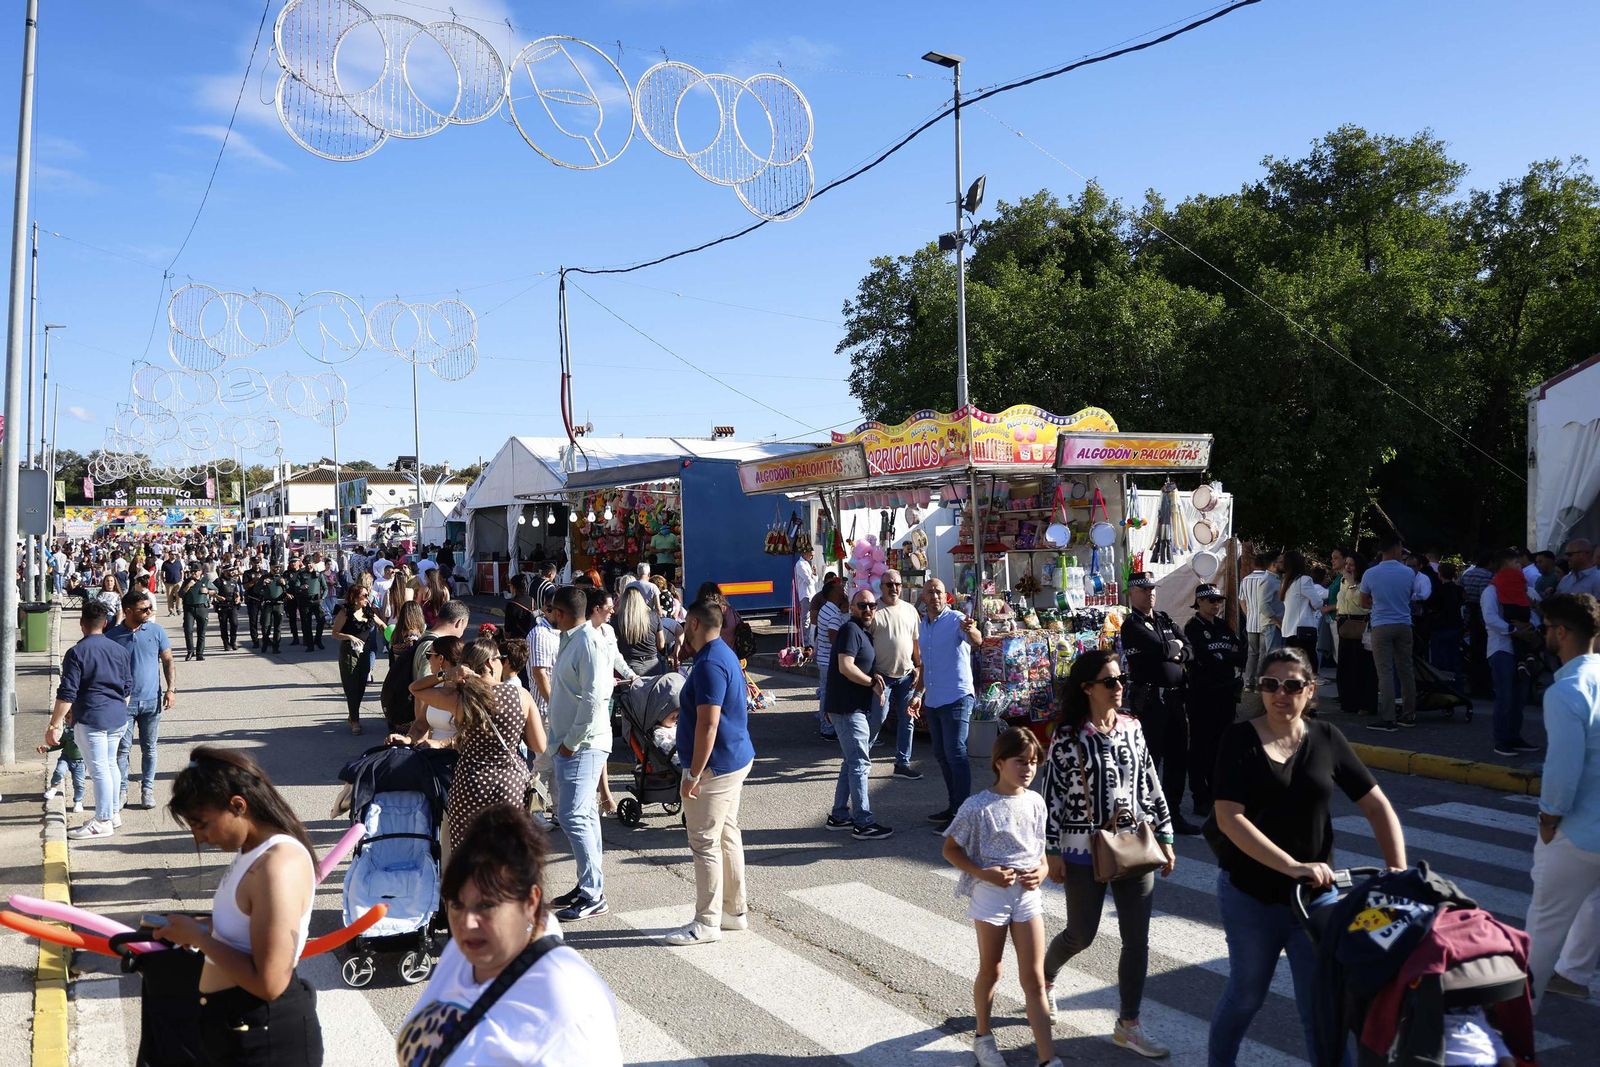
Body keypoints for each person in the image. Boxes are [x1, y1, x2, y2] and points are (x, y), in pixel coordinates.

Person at [1208, 647, 1407, 1065]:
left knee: (1322, 1006)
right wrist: (1292, 866)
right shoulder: (1238, 739)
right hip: (1251, 894)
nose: (1281, 694)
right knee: (1246, 995)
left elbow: (1377, 806)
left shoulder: (1326, 738)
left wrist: (1399, 873)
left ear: (1310, 690)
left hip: (1317, 899)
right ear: (1259, 690)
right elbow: (1228, 819)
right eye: (1270, 685)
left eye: (1293, 685)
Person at [397, 804, 623, 1066]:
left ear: (530, 902)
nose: (467, 923)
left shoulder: (569, 1003)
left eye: (487, 905)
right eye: (457, 904)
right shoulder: (465, 952)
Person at [1040, 651, 1174, 1058]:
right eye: (1110, 681)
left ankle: (1128, 1024)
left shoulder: (1133, 727)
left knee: (1138, 941)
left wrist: (1166, 837)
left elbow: (1150, 782)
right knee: (1081, 934)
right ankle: (1044, 978)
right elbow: (1053, 797)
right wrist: (1052, 852)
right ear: (1087, 688)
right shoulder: (1067, 736)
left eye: (1121, 679)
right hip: (1082, 851)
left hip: (1134, 847)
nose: (1119, 687)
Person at [155, 747, 322, 1065]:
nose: (199, 837)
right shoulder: (253, 852)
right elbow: (245, 932)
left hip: (264, 1037)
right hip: (238, 1029)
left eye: (202, 824)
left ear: (238, 805)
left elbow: (270, 983)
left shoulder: (277, 866)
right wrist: (200, 927)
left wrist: (200, 938)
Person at [944, 727, 1062, 1067]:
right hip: (990, 896)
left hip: (1027, 897)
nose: (1028, 769)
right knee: (992, 970)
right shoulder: (978, 806)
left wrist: (1041, 871)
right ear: (999, 763)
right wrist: (983, 873)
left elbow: (1039, 850)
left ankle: (1047, 1058)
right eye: (1020, 761)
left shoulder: (1036, 801)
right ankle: (983, 1036)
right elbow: (950, 849)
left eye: (1034, 762)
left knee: (1035, 978)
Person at [661, 598, 757, 946]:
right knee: (727, 833)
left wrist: (693, 774)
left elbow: (708, 724)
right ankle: (734, 912)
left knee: (703, 841)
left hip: (717, 765)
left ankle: (706, 922)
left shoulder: (709, 664)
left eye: (687, 622)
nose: (684, 628)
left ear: (697, 624)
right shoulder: (720, 653)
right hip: (733, 758)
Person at [1525, 593, 1600, 1009]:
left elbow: (1562, 769)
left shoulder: (1566, 690)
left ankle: (1517, 1025)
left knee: (1544, 925)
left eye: (1546, 628)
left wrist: (1548, 818)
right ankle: (1574, 972)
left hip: (1577, 831)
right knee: (1594, 903)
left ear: (1560, 632)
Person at [412, 639, 545, 860]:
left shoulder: (460, 699)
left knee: (466, 855)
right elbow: (538, 745)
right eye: (500, 659)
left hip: (469, 783)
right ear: (491, 663)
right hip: (509, 784)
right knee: (505, 857)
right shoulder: (521, 696)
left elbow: (415, 688)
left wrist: (448, 675)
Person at [546, 586, 614, 921]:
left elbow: (594, 698)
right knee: (584, 814)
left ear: (560, 613)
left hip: (583, 744)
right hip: (573, 741)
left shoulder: (587, 642)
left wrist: (571, 741)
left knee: (572, 816)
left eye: (551, 612)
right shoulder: (572, 638)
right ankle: (589, 884)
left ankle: (592, 894)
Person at [45, 600, 132, 840]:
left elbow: (67, 692)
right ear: (105, 624)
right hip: (117, 716)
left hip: (92, 717)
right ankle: (113, 813)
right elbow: (127, 688)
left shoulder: (77, 653)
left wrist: (55, 724)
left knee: (99, 769)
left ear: (82, 624)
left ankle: (103, 820)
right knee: (110, 764)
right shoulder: (119, 650)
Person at [1120, 571, 1198, 834]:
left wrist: (1176, 650)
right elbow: (1162, 650)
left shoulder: (1164, 619)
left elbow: (1189, 649)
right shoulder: (1132, 625)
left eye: (1152, 589)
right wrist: (1173, 649)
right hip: (1152, 699)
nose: (1150, 593)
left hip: (1176, 698)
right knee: (1151, 760)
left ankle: (1172, 813)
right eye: (1144, 590)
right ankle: (1147, 814)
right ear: (1132, 594)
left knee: (1179, 758)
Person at [823, 589, 894, 840]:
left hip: (852, 707)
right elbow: (845, 666)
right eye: (862, 605)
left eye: (872, 606)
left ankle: (840, 815)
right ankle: (863, 822)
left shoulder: (863, 632)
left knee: (851, 761)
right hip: (847, 708)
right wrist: (870, 683)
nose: (867, 610)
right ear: (852, 607)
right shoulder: (850, 630)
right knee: (860, 763)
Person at [914, 578, 982, 831]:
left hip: (957, 696)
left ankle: (963, 814)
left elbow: (977, 640)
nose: (935, 596)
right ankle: (954, 806)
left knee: (956, 752)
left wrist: (971, 629)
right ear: (923, 596)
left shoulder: (957, 620)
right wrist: (918, 694)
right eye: (930, 592)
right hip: (933, 699)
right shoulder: (923, 624)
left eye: (939, 592)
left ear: (946, 596)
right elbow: (925, 666)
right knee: (942, 755)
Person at [107, 589, 176, 811]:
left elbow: (167, 660)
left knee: (149, 748)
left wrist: (170, 689)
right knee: (122, 750)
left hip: (151, 701)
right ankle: (122, 791)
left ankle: (148, 790)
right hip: (123, 704)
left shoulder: (156, 631)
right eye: (143, 609)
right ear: (127, 611)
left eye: (149, 608)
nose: (148, 612)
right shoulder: (112, 636)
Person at [1184, 583, 1244, 818]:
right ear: (1199, 602)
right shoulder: (1193, 628)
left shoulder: (1222, 626)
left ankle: (1219, 795)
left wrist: (1224, 656)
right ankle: (1201, 797)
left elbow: (1238, 654)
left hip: (1226, 694)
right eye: (1211, 601)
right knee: (1201, 749)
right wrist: (1223, 657)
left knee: (1223, 748)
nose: (1216, 605)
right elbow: (1205, 659)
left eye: (1218, 600)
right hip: (1203, 696)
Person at [1481, 550, 1540, 757]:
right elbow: (1490, 618)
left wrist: (1529, 628)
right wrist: (1515, 630)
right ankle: (1502, 739)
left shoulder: (1525, 590)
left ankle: (1514, 736)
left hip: (1521, 650)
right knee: (1505, 696)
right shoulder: (1491, 591)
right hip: (1502, 649)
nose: (1519, 566)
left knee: (1520, 697)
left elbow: (1534, 614)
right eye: (1515, 562)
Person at [869, 569, 922, 780]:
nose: (894, 588)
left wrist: (919, 666)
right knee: (877, 719)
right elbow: (864, 644)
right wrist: (871, 673)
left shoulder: (910, 610)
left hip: (907, 676)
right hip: (882, 677)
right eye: (889, 584)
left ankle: (902, 763)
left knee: (907, 719)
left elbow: (916, 642)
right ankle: (860, 758)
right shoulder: (873, 611)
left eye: (897, 584)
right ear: (881, 587)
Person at [1360, 536, 1418, 732]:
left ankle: (1388, 717)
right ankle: (1409, 714)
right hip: (1404, 623)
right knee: (1406, 670)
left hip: (1381, 624)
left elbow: (1363, 601)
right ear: (1396, 549)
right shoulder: (1408, 572)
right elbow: (1411, 595)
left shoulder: (1370, 573)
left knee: (1385, 672)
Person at [331, 583, 380, 736]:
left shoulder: (368, 611)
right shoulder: (345, 612)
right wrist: (350, 636)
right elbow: (335, 633)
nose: (367, 598)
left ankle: (352, 715)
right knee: (351, 687)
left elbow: (383, 625)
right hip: (349, 652)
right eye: (364, 595)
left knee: (361, 686)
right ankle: (355, 721)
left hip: (364, 652)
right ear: (355, 597)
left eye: (368, 595)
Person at [1334, 555, 1378, 714]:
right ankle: (1348, 701)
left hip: (1360, 623)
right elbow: (1341, 601)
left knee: (1361, 665)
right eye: (1346, 564)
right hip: (1344, 623)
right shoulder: (1343, 581)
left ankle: (1364, 703)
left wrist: (1352, 583)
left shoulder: (1363, 583)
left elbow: (1362, 604)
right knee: (1345, 665)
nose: (1347, 568)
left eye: (1351, 565)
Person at [1239, 549, 1283, 688]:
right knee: (1264, 654)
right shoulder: (1268, 578)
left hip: (1251, 621)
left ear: (1253, 565)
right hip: (1267, 621)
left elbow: (1242, 601)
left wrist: (1248, 614)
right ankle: (1259, 683)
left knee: (1252, 653)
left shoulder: (1245, 580)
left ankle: (1248, 683)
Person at [1279, 551, 1326, 674]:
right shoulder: (1304, 580)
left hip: (1288, 630)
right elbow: (1318, 603)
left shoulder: (1286, 581)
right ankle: (1310, 691)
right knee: (1309, 664)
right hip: (1303, 629)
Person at [812, 579, 848, 740]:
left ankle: (825, 725)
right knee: (829, 695)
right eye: (840, 588)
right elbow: (834, 638)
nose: (843, 590)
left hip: (823, 659)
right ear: (834, 592)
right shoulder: (833, 614)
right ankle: (827, 728)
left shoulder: (826, 609)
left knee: (826, 693)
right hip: (829, 661)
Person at [1427, 561, 1466, 687]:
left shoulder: (1438, 590)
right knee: (1454, 657)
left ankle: (1442, 686)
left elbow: (1431, 606)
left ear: (1440, 574)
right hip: (1455, 626)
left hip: (1440, 627)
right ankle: (1457, 685)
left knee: (1439, 659)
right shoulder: (1459, 590)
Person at [615, 585, 665, 677]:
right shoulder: (654, 616)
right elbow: (661, 645)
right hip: (653, 665)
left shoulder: (617, 619)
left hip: (629, 667)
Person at [179, 564, 216, 662]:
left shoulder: (205, 581)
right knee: (188, 630)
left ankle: (200, 653)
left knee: (201, 632)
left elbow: (216, 590)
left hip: (202, 608)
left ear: (201, 572)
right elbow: (180, 594)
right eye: (193, 571)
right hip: (189, 608)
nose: (194, 573)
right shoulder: (187, 581)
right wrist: (188, 586)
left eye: (196, 571)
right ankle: (190, 651)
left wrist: (207, 591)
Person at [298, 557, 328, 651]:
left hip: (316, 601)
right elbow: (296, 586)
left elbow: (325, 588)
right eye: (306, 563)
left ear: (313, 563)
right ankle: (310, 645)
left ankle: (318, 640)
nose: (309, 565)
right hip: (305, 601)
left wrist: (322, 598)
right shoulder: (301, 574)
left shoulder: (318, 575)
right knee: (307, 624)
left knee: (321, 620)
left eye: (310, 563)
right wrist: (301, 587)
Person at [259, 562, 289, 655]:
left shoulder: (281, 578)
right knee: (265, 626)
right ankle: (265, 642)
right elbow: (257, 590)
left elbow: (288, 590)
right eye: (275, 567)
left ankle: (276, 647)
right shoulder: (264, 577)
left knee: (278, 627)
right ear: (271, 567)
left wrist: (284, 584)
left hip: (279, 605)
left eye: (279, 567)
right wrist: (263, 584)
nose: (277, 569)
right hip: (268, 604)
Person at [213, 564, 243, 652]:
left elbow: (236, 592)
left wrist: (238, 598)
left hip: (232, 604)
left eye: (233, 570)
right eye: (230, 570)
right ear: (224, 571)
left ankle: (233, 641)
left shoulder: (234, 581)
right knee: (223, 625)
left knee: (234, 623)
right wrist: (217, 597)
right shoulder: (218, 581)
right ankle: (226, 643)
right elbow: (211, 591)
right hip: (222, 606)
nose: (232, 572)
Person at [793, 549, 818, 645]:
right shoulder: (800, 565)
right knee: (806, 619)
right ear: (805, 553)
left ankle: (808, 639)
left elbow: (814, 580)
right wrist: (812, 576)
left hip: (811, 594)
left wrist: (814, 574)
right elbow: (810, 581)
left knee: (811, 618)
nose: (812, 557)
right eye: (811, 555)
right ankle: (804, 641)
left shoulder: (806, 563)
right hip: (805, 595)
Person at [161, 552, 185, 616]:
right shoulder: (165, 563)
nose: (174, 555)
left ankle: (178, 608)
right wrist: (163, 582)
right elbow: (162, 573)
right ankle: (171, 611)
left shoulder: (178, 562)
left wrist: (181, 580)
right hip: (169, 583)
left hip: (178, 583)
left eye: (175, 554)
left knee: (179, 596)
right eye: (172, 554)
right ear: (169, 555)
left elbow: (181, 571)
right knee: (169, 598)